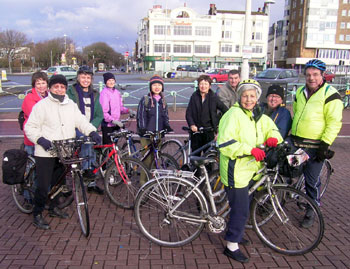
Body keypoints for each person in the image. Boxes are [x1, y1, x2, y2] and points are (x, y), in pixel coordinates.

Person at [217, 79, 283, 263]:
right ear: (239, 97)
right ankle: (231, 245)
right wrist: (249, 150)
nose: (248, 99)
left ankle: (235, 232)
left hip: (252, 170)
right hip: (235, 169)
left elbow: (273, 130)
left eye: (252, 96)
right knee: (241, 209)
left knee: (242, 207)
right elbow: (224, 143)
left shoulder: (259, 115)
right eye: (245, 96)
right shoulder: (233, 114)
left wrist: (273, 139)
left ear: (257, 97)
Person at [24, 74, 102, 230]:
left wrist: (92, 132)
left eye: (62, 87)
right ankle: (37, 213)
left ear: (65, 88)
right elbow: (29, 127)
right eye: (56, 86)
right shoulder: (42, 105)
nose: (59, 89)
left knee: (59, 183)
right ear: (51, 88)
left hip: (64, 150)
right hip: (46, 152)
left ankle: (53, 208)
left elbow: (81, 121)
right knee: (44, 185)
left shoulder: (70, 104)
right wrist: (40, 140)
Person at [291, 59, 343, 228]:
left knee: (311, 181)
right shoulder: (299, 92)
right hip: (297, 141)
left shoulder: (330, 94)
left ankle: (312, 209)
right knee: (287, 171)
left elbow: (334, 122)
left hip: (315, 146)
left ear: (322, 75)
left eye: (315, 74)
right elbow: (298, 113)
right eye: (308, 75)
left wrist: (325, 144)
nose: (311, 78)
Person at [67, 65, 104, 195]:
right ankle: (84, 178)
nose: (85, 80)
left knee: (92, 153)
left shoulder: (94, 94)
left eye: (88, 77)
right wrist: (83, 129)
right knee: (86, 147)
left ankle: (90, 182)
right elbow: (70, 113)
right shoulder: (71, 92)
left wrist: (91, 128)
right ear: (78, 78)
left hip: (90, 128)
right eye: (83, 77)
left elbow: (99, 114)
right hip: (76, 127)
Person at [136, 75, 173, 185]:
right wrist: (143, 129)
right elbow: (141, 116)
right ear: (150, 87)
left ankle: (152, 182)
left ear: (162, 87)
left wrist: (167, 127)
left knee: (156, 159)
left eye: (159, 85)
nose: (157, 87)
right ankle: (143, 184)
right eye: (154, 85)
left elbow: (165, 116)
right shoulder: (145, 99)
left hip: (158, 135)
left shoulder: (163, 101)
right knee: (147, 160)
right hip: (147, 135)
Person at [186, 74, 228, 155]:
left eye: (206, 84)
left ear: (209, 86)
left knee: (208, 157)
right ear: (198, 85)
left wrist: (218, 121)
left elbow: (225, 110)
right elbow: (189, 113)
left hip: (209, 131)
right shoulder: (194, 96)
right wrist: (192, 125)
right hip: (196, 132)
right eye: (201, 84)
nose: (203, 86)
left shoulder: (214, 98)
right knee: (195, 156)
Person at [22, 71, 49, 155]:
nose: (41, 86)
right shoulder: (29, 98)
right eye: (38, 84)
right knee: (32, 161)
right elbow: (35, 117)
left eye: (43, 83)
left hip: (46, 135)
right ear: (34, 85)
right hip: (33, 136)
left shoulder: (50, 96)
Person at [99, 72, 129, 144]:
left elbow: (120, 108)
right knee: (108, 147)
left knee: (115, 146)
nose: (111, 82)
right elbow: (103, 112)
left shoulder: (117, 92)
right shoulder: (104, 93)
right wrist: (112, 120)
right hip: (108, 125)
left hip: (117, 124)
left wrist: (128, 110)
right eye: (109, 81)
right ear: (105, 82)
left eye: (112, 80)